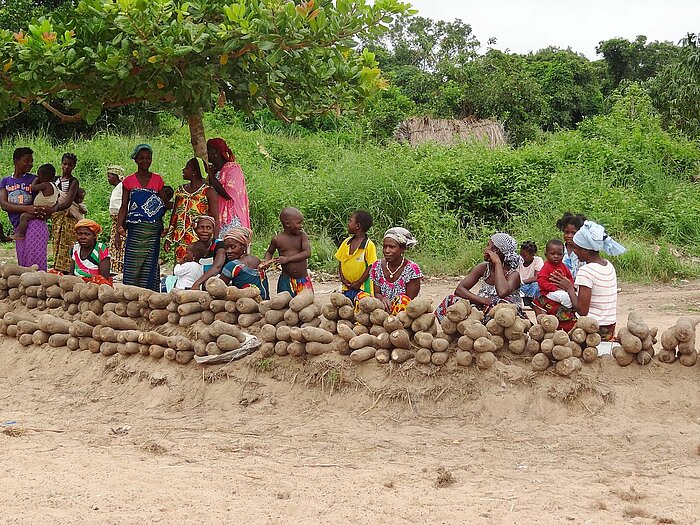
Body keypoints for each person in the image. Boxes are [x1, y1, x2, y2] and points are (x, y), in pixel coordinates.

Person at [550, 221, 626, 341]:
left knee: (544, 301)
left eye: (576, 248)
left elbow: (582, 311)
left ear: (585, 250)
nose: (574, 251)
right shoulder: (608, 265)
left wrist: (569, 288)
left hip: (593, 329)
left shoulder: (586, 271)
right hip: (609, 327)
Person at [435, 233, 523, 322]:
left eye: (488, 246)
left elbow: (502, 292)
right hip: (481, 306)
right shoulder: (483, 268)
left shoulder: (513, 274)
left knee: (500, 309)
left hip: (503, 313)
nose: (485, 249)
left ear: (496, 251)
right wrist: (484, 301)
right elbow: (460, 290)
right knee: (450, 299)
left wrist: (498, 263)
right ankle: (454, 327)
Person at [116, 144, 166, 291]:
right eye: (142, 158)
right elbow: (124, 206)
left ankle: (148, 293)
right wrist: (119, 230)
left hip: (153, 229)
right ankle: (130, 293)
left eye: (148, 158)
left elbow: (162, 203)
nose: (145, 161)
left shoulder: (157, 180)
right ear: (136, 160)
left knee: (149, 263)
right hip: (135, 229)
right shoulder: (129, 181)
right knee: (132, 262)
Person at [0, 147, 51, 270]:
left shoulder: (35, 179)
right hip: (19, 226)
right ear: (16, 161)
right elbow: (4, 204)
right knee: (23, 262)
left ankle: (40, 288)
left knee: (34, 262)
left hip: (35, 223)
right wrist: (28, 209)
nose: (30, 164)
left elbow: (50, 190)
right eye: (27, 160)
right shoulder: (5, 181)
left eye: (31, 161)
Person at [164, 157, 220, 261]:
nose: (183, 170)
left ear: (194, 172)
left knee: (196, 269)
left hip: (199, 239)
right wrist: (169, 237)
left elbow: (216, 219)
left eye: (186, 168)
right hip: (180, 238)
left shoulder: (208, 192)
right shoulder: (181, 190)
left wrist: (214, 242)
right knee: (181, 269)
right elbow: (174, 215)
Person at [361, 227, 422, 314]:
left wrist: (394, 306)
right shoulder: (377, 266)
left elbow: (410, 300)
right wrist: (382, 298)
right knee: (361, 297)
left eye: (392, 247)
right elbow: (376, 293)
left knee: (402, 300)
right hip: (381, 311)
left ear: (402, 249)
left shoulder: (412, 269)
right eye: (385, 247)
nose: (387, 251)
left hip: (404, 314)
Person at [262, 207, 312, 296]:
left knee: (306, 304)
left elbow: (307, 253)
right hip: (286, 280)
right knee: (283, 303)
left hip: (302, 279)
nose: (301, 226)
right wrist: (266, 261)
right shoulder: (277, 239)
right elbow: (269, 252)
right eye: (299, 223)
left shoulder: (302, 236)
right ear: (288, 224)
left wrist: (287, 259)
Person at [206, 137, 250, 234]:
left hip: (231, 219)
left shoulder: (233, 169)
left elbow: (228, 194)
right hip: (216, 218)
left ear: (216, 152)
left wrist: (211, 177)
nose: (206, 154)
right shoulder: (215, 170)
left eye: (208, 150)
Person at [533, 239, 577, 331]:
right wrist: (554, 288)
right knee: (565, 297)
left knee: (574, 296)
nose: (556, 256)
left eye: (559, 254)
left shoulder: (564, 266)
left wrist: (571, 286)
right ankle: (569, 310)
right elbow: (541, 281)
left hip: (562, 289)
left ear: (563, 255)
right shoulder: (546, 267)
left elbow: (569, 277)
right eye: (553, 254)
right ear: (546, 255)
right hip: (549, 292)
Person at [335, 210, 378, 302]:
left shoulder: (368, 245)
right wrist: (343, 279)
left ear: (357, 226)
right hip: (347, 287)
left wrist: (359, 282)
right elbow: (340, 261)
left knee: (362, 309)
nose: (348, 224)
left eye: (350, 221)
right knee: (346, 310)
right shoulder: (346, 242)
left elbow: (371, 267)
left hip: (362, 288)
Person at [50, 152, 81, 273]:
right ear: (61, 164)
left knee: (67, 243)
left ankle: (67, 270)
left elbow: (68, 202)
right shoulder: (55, 179)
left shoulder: (73, 181)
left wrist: (53, 209)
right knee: (57, 241)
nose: (66, 167)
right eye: (64, 164)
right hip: (57, 216)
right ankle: (57, 268)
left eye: (70, 165)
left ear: (74, 166)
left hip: (68, 216)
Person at [10, 164, 59, 240]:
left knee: (24, 216)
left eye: (39, 175)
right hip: (46, 210)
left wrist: (35, 180)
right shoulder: (54, 186)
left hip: (40, 210)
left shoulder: (45, 185)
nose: (38, 177)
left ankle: (20, 234)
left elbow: (33, 188)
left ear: (44, 177)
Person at [220, 227, 270, 299]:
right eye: (226, 247)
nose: (228, 251)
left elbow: (219, 287)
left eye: (233, 247)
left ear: (243, 247)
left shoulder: (232, 266)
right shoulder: (257, 260)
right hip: (265, 302)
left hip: (244, 305)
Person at [70, 219, 112, 286]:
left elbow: (104, 279)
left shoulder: (100, 249)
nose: (83, 237)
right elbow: (71, 274)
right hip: (77, 285)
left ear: (94, 236)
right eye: (79, 234)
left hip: (95, 286)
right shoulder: (75, 248)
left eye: (87, 234)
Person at [107, 165, 125, 274]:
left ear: (117, 176)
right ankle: (116, 269)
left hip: (120, 221)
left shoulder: (122, 187)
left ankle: (119, 268)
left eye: (110, 176)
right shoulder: (118, 188)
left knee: (120, 244)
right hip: (116, 221)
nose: (108, 178)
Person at [556, 212, 586, 279]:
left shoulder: (584, 252)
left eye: (573, 233)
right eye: (566, 232)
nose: (569, 236)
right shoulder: (557, 249)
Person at [518, 240, 543, 306]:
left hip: (530, 285)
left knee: (536, 285)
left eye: (525, 255)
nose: (522, 257)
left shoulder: (537, 260)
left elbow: (537, 277)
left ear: (532, 254)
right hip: (520, 286)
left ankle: (531, 301)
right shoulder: (519, 261)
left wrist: (523, 281)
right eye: (521, 255)